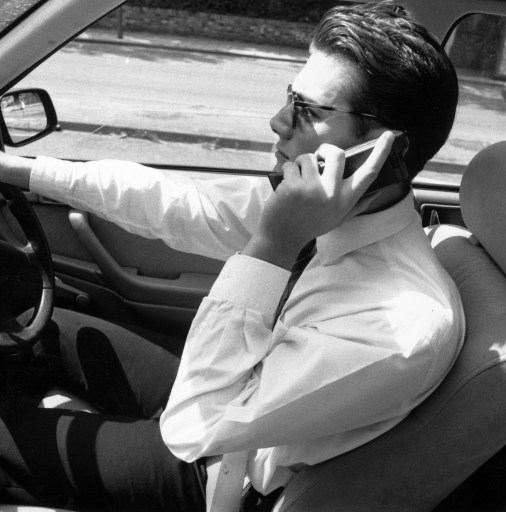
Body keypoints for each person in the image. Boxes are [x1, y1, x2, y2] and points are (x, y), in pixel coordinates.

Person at [0, 2, 464, 511]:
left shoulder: (403, 330)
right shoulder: (326, 210)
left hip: (218, 468)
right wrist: (16, 169)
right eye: (290, 97)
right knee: (34, 324)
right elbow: (175, 202)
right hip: (225, 391)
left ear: (383, 152)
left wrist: (274, 244)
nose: (278, 121)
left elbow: (191, 428)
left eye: (309, 111)